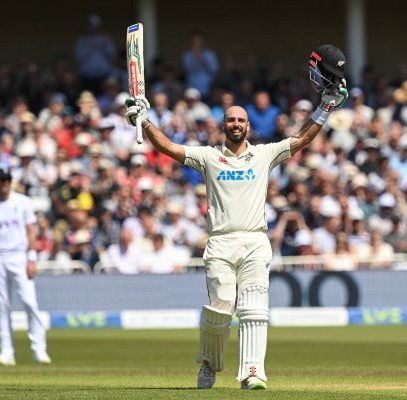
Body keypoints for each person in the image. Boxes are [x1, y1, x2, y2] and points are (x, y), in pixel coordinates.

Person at [124, 44, 348, 390]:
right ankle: (210, 365)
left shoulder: (263, 155)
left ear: (248, 126)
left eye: (242, 120)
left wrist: (325, 106)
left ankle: (253, 372)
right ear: (223, 125)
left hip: (256, 240)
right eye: (231, 120)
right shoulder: (209, 156)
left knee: (255, 307)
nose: (237, 124)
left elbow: (302, 138)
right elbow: (167, 147)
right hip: (221, 241)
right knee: (220, 309)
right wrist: (144, 120)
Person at [0, 167, 51, 366]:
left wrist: (32, 258)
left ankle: (39, 350)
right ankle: (6, 351)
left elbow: (31, 232)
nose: (5, 183)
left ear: (11, 181)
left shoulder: (23, 203)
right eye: (1, 180)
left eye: (7, 179)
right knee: (2, 306)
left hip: (19, 256)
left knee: (29, 302)